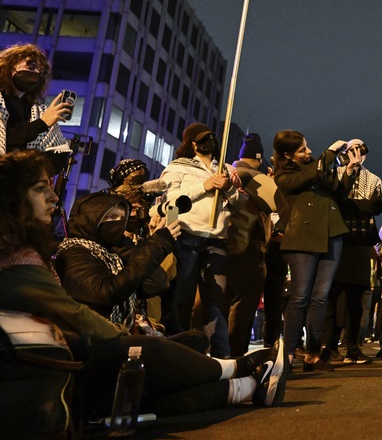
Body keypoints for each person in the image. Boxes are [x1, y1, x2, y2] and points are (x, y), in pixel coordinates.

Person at [0, 150, 288, 420]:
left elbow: (156, 282)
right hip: (62, 365)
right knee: (141, 351)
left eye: (124, 215)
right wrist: (156, 245)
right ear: (13, 199)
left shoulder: (100, 250)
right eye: (40, 188)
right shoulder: (48, 254)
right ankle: (241, 366)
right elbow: (83, 309)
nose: (53, 196)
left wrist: (136, 246)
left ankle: (251, 386)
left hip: (64, 363)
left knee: (159, 383)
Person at [160, 123, 246, 357]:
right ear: (192, 144)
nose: (210, 141)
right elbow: (169, 204)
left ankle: (221, 357)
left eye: (212, 136)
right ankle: (178, 354)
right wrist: (204, 186)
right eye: (203, 138)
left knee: (217, 300)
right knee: (182, 298)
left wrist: (228, 188)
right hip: (186, 237)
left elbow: (242, 203)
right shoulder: (177, 168)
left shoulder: (226, 169)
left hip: (216, 239)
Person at [272, 130, 349, 372]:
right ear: (287, 154)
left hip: (332, 232)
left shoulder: (316, 165)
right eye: (302, 150)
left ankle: (313, 354)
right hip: (302, 238)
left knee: (321, 297)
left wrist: (349, 167)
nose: (308, 152)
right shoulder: (284, 174)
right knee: (300, 296)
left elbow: (339, 191)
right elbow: (307, 177)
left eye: (308, 147)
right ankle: (288, 354)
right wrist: (329, 155)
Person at [54, 191, 177, 331]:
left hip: (119, 332)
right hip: (92, 335)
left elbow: (156, 283)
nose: (118, 224)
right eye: (112, 217)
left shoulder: (111, 253)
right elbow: (108, 293)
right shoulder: (74, 252)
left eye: (121, 219)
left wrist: (124, 248)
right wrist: (156, 245)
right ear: (91, 219)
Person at [322, 139, 382, 365]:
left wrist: (350, 205)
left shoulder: (374, 179)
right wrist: (357, 204)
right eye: (352, 150)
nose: (357, 154)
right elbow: (335, 202)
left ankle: (353, 346)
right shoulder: (334, 175)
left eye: (361, 149)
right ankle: (328, 346)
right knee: (333, 297)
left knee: (356, 299)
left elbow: (375, 206)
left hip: (359, 242)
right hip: (337, 240)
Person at [226, 133, 282, 356]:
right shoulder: (254, 177)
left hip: (221, 248)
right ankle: (236, 355)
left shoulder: (225, 172)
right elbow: (279, 203)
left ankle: (216, 354)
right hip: (248, 249)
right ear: (258, 158)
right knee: (243, 306)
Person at [0, 44, 71, 157]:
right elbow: (7, 138)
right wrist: (42, 123)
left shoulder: (35, 109)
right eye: (31, 67)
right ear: (9, 65)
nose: (36, 73)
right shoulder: (1, 100)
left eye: (40, 72)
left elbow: (57, 153)